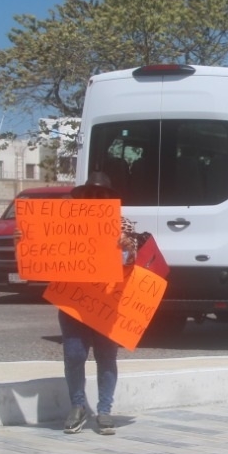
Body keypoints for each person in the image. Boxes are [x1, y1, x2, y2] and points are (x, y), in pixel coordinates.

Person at [58, 171, 137, 436]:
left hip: (106, 303)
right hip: (74, 299)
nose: (95, 198)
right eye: (91, 194)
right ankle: (78, 406)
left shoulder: (123, 225)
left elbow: (131, 261)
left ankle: (104, 410)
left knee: (106, 356)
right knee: (74, 354)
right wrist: (24, 242)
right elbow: (49, 252)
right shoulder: (66, 224)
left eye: (101, 194)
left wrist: (127, 248)